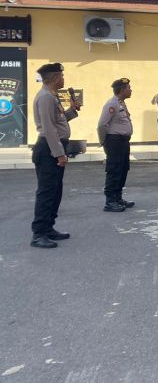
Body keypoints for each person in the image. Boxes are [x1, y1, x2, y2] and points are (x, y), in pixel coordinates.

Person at [30, 62, 81, 248]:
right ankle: (39, 234)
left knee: (55, 191)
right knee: (47, 192)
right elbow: (49, 128)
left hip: (53, 147)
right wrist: (59, 153)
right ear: (54, 78)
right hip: (48, 150)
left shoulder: (52, 96)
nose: (63, 79)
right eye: (61, 76)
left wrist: (72, 111)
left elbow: (57, 121)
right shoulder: (45, 97)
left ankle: (49, 227)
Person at [97, 78, 135, 213]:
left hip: (123, 141)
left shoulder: (121, 103)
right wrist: (104, 142)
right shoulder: (111, 104)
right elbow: (102, 125)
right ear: (122, 90)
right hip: (114, 142)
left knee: (123, 169)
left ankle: (118, 198)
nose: (131, 90)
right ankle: (110, 201)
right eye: (128, 88)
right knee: (114, 171)